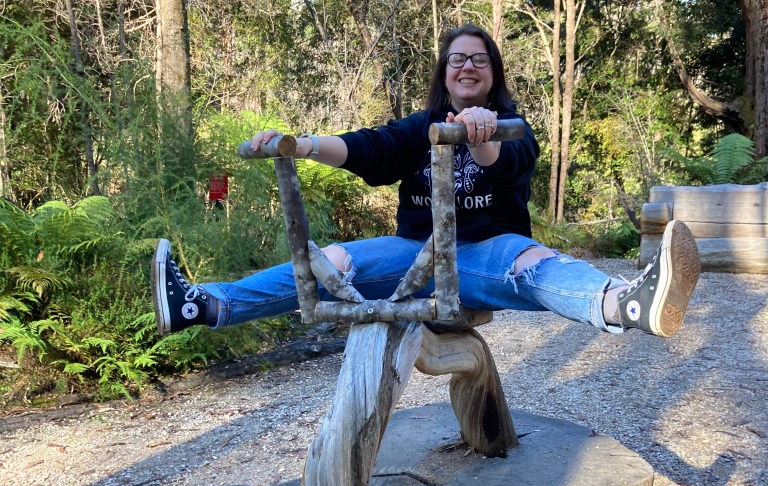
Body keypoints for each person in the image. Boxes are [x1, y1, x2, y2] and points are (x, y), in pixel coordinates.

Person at [152, 23, 700, 341]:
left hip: (487, 252)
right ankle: (206, 305)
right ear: (443, 73)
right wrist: (300, 144)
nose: (467, 67)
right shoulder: (420, 127)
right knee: (332, 260)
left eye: (479, 60)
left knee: (530, 263)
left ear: (493, 73)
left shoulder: (511, 127)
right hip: (413, 253)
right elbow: (369, 149)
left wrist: (483, 133)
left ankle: (625, 305)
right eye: (457, 59)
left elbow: (509, 164)